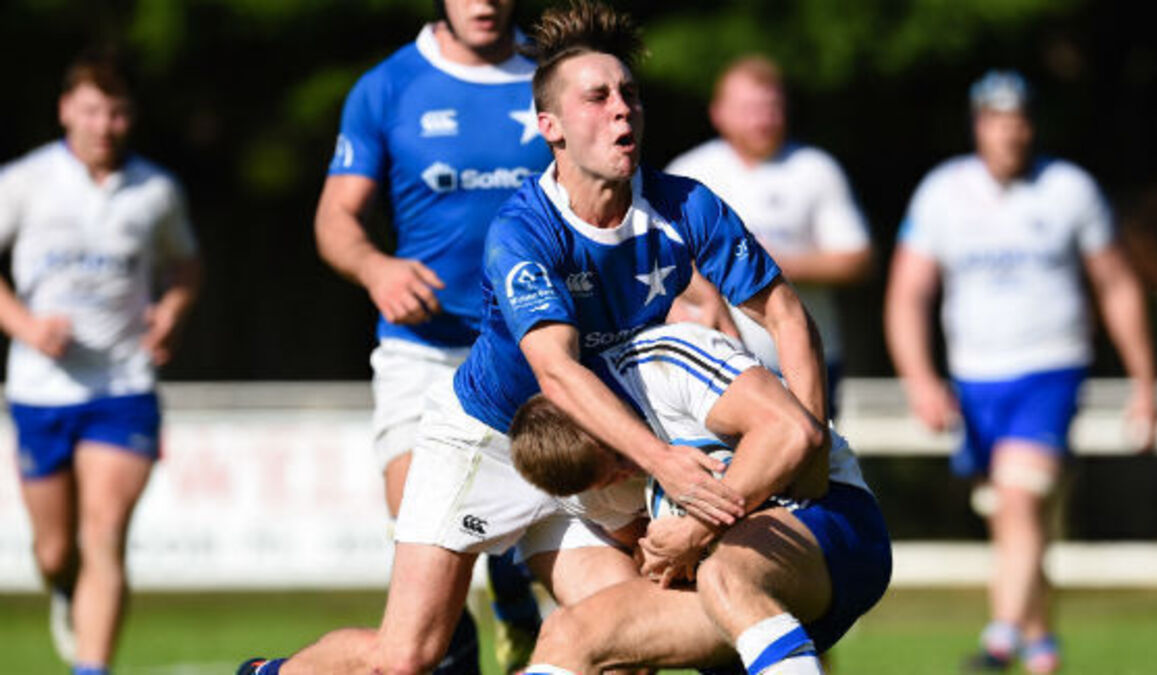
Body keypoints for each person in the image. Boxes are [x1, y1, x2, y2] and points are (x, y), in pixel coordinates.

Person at [239, 3, 827, 673]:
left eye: (630, 94)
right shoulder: (523, 230)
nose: (621, 109)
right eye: (597, 97)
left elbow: (786, 314)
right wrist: (664, 460)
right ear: (550, 127)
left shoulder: (685, 205)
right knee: (406, 659)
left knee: (624, 644)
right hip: (488, 441)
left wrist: (809, 448)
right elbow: (557, 372)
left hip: (591, 454)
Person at [884, 70, 1157, 674]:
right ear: (978, 126)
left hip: (1050, 370)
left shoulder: (1070, 190)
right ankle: (1042, 647)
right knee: (1013, 521)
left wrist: (1145, 385)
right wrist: (920, 379)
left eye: (1019, 120)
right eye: (996, 121)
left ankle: (1001, 636)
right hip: (975, 379)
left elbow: (1117, 286)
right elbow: (907, 294)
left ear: (1032, 126)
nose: (1009, 133)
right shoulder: (941, 193)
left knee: (1019, 498)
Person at [312, 0, 550, 670]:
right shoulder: (388, 86)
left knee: (586, 573)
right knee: (425, 536)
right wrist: (375, 267)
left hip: (541, 348)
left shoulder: (559, 76)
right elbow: (335, 218)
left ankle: (512, 585)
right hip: (425, 352)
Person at [508, 322, 891, 675]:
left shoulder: (663, 361)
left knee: (724, 575)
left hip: (828, 523)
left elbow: (792, 432)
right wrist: (657, 557)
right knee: (568, 634)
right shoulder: (587, 489)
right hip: (723, 591)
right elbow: (651, 554)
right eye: (609, 480)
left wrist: (694, 529)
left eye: (620, 457)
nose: (629, 471)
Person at [0, 50, 202, 675]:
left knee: (104, 532)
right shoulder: (23, 181)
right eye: (91, 111)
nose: (103, 126)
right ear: (66, 110)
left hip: (123, 385)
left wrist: (172, 311)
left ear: (130, 117)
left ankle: (92, 668)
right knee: (56, 551)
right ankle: (64, 589)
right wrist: (27, 327)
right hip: (41, 390)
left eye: (116, 113)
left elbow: (185, 266)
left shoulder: (156, 191)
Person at [665, 55, 872, 419]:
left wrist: (764, 267)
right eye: (749, 109)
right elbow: (658, 264)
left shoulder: (816, 169)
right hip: (715, 364)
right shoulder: (687, 175)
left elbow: (857, 260)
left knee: (813, 453)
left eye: (772, 107)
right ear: (718, 113)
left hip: (807, 361)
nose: (763, 119)